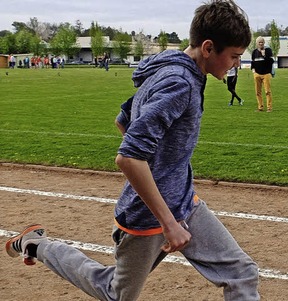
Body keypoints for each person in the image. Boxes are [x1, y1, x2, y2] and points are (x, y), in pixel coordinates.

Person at [5, 1, 260, 300]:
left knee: (242, 273)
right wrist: (168, 222)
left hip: (183, 201)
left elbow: (123, 119)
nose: (235, 65)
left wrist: (162, 169)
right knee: (116, 293)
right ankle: (37, 245)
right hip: (149, 215)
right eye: (233, 56)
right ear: (207, 48)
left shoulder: (172, 70)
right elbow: (128, 157)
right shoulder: (179, 83)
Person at [251, 36, 274, 112]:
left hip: (266, 74)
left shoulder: (268, 51)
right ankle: (260, 107)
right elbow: (253, 62)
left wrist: (264, 55)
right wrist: (253, 70)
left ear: (264, 43)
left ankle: (269, 108)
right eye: (259, 42)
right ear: (257, 43)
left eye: (262, 42)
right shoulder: (254, 52)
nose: (261, 43)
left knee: (267, 91)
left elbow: (271, 61)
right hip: (257, 74)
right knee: (257, 92)